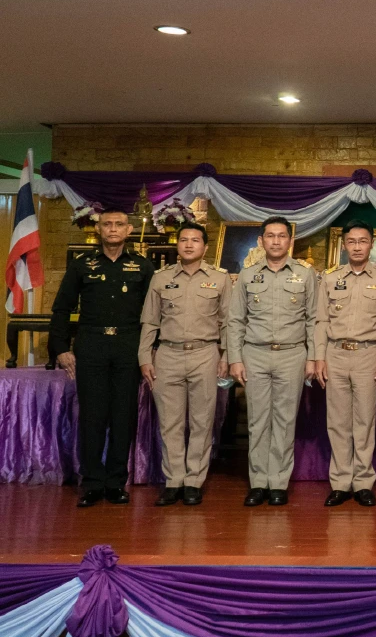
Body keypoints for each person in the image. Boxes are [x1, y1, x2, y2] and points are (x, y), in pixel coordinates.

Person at [50, 207, 155, 507]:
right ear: (98, 229)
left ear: (128, 231)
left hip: (128, 346)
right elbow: (61, 308)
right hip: (92, 344)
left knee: (123, 416)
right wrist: (60, 348)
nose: (112, 229)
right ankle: (92, 483)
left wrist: (150, 350)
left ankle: (116, 482)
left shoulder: (142, 266)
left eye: (119, 224)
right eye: (107, 224)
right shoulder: (82, 265)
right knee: (93, 416)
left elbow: (154, 315)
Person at [137, 221, 231, 507]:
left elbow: (229, 322)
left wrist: (227, 356)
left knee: (202, 422)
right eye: (184, 240)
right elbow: (150, 320)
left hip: (205, 354)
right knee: (170, 422)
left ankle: (194, 481)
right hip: (167, 355)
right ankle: (173, 480)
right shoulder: (160, 278)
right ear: (177, 245)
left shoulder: (220, 278)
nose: (189, 244)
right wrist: (144, 357)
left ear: (205, 247)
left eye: (195, 240)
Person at [227, 216, 318, 508]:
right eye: (270, 236)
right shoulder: (247, 274)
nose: (276, 241)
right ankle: (258, 483)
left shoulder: (305, 274)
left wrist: (313, 358)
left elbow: (315, 320)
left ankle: (278, 483)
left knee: (284, 420)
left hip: (292, 355)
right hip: (254, 354)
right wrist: (235, 359)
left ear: (290, 241)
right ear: (261, 241)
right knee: (257, 420)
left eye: (282, 236)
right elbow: (235, 321)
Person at [314, 220, 376, 509]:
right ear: (344, 245)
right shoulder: (329, 278)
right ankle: (340, 482)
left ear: (372, 244)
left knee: (364, 421)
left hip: (367, 355)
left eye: (363, 241)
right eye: (352, 241)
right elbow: (321, 321)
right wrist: (319, 357)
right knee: (337, 422)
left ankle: (363, 482)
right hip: (335, 354)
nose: (358, 246)